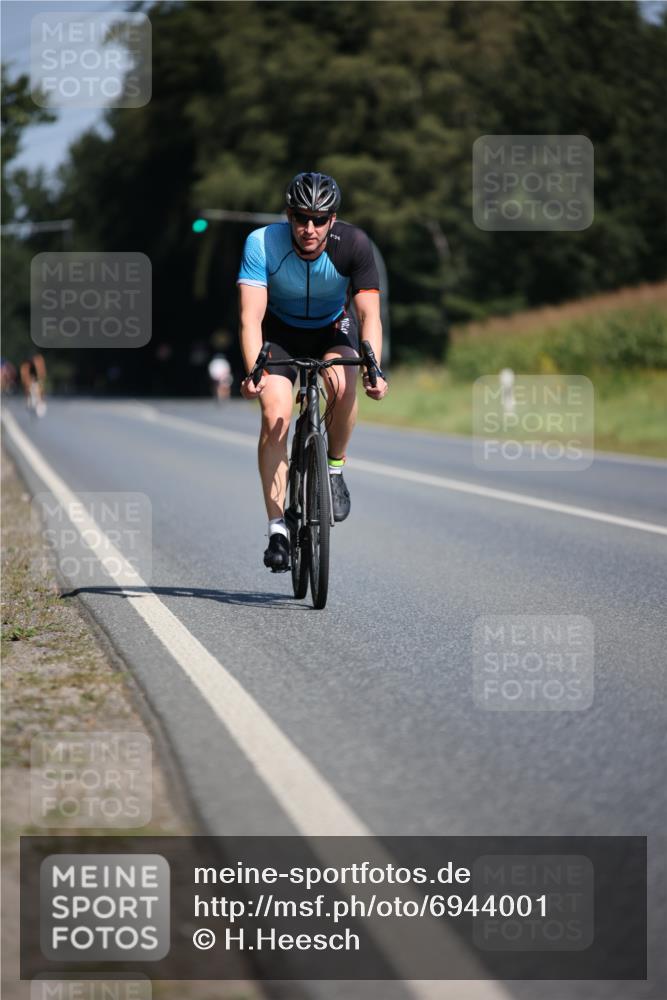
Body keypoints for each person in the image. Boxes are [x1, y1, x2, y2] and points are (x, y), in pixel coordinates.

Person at [237, 171, 388, 572]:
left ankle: (334, 469)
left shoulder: (354, 244)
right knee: (275, 415)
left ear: (333, 220)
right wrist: (255, 370)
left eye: (319, 220)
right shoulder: (262, 243)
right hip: (280, 332)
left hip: (331, 328)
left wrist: (375, 366)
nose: (309, 228)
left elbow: (369, 314)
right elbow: (250, 317)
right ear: (288, 215)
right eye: (301, 218)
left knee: (342, 381)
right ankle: (277, 529)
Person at [19, 353, 47, 417]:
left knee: (39, 389)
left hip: (37, 378)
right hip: (30, 379)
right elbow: (24, 378)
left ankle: (40, 402)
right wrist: (27, 387)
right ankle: (30, 402)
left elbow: (41, 374)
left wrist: (40, 383)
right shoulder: (25, 366)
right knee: (29, 389)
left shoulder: (39, 362)